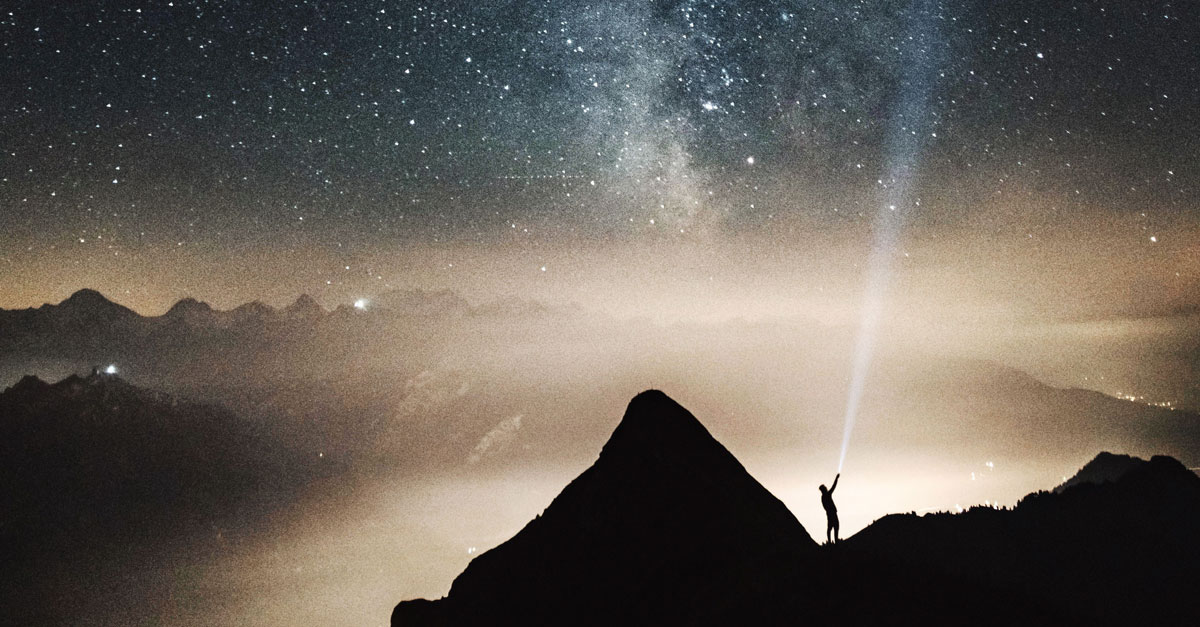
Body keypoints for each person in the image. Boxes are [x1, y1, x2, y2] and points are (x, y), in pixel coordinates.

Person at [819, 473, 840, 544]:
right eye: (825, 487)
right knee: (835, 526)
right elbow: (833, 486)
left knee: (831, 527)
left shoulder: (823, 497)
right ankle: (834, 541)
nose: (826, 488)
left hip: (829, 513)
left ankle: (831, 541)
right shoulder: (826, 495)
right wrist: (836, 478)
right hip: (832, 513)